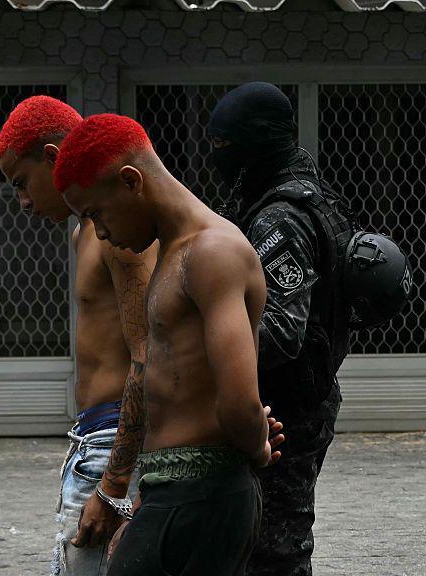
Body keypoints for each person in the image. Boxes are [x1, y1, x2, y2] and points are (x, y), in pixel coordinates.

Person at [55, 113, 285, 576]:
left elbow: (240, 400)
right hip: (174, 493)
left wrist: (258, 446)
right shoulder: (174, 253)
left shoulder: (212, 253)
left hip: (205, 495)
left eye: (96, 213)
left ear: (130, 181)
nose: (98, 233)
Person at [0, 96, 155, 575]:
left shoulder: (118, 232)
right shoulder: (86, 229)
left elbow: (150, 357)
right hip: (93, 439)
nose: (22, 203)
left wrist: (116, 482)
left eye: (22, 183)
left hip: (113, 442)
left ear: (51, 156)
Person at [208, 81, 353, 576]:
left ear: (257, 143)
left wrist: (207, 337)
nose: (216, 156)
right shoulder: (307, 193)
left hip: (289, 411)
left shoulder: (280, 219)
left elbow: (282, 332)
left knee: (276, 555)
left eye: (225, 145)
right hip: (299, 402)